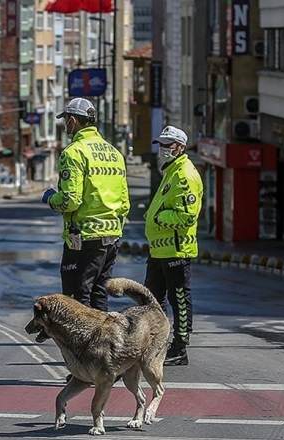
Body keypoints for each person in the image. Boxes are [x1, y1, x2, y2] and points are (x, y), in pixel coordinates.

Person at [42, 97, 130, 313]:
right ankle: (103, 335)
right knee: (99, 294)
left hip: (83, 239)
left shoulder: (73, 153)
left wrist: (51, 199)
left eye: (66, 120)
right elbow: (124, 203)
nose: (65, 125)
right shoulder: (114, 154)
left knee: (77, 299)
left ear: (73, 120)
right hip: (111, 238)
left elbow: (70, 201)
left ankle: (83, 336)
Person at [144, 125, 203, 366]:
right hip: (159, 249)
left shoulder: (184, 175)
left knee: (179, 299)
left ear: (181, 147)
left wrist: (158, 218)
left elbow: (187, 216)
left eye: (168, 144)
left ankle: (180, 348)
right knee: (152, 299)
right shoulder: (171, 171)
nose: (163, 149)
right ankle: (155, 344)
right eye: (161, 144)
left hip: (176, 249)